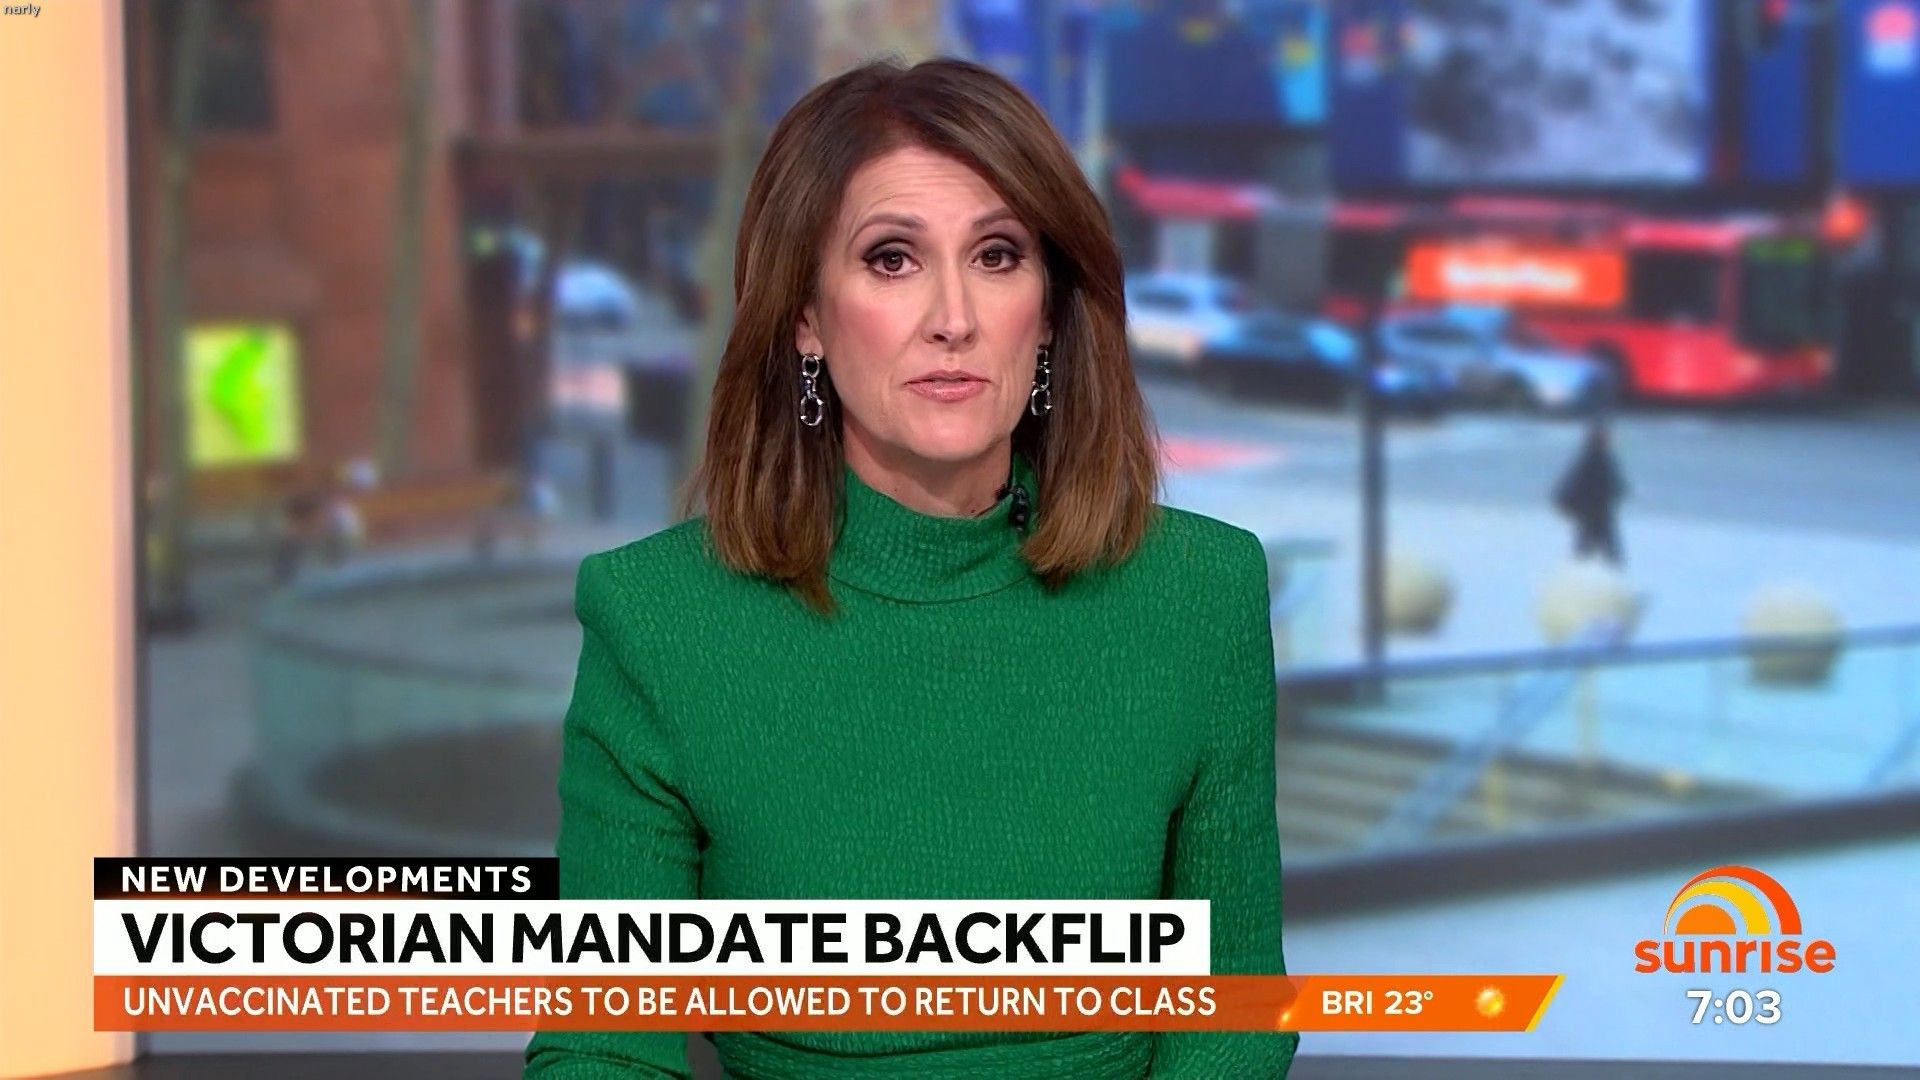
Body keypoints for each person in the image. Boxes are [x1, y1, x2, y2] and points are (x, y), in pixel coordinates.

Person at [524, 57, 1297, 1080]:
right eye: (892, 259)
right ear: (805, 316)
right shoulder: (656, 620)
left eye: (997, 256)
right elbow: (604, 1047)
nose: (953, 317)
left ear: (1049, 310)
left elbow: (1234, 1019)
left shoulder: (1201, 595)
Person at [1553, 415, 1628, 566]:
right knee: (1605, 553)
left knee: (1588, 551)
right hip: (1595, 513)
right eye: (1605, 437)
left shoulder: (1596, 459)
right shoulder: (1596, 460)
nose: (1609, 440)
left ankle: (1581, 574)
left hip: (1593, 513)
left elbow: (1612, 486)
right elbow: (1608, 485)